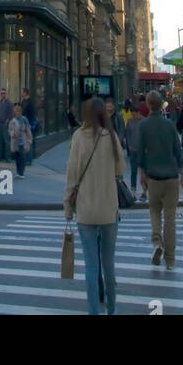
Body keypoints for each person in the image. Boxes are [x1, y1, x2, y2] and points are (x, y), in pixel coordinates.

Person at [64, 96, 124, 315]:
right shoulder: (111, 137)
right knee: (109, 264)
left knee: (91, 266)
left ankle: (93, 312)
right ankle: (112, 309)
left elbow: (71, 174)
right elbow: (120, 169)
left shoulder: (78, 137)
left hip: (86, 210)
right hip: (109, 209)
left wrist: (67, 207)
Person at [136, 91, 183, 269]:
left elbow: (140, 152)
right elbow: (177, 150)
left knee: (154, 212)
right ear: (162, 105)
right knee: (170, 218)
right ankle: (170, 259)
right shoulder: (169, 125)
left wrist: (141, 173)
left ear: (149, 105)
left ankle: (157, 242)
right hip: (172, 177)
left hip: (154, 177)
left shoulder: (143, 126)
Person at [9, 101, 32, 178]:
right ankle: (18, 172)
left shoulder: (24, 119)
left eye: (18, 111)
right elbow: (10, 130)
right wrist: (13, 133)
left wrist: (29, 140)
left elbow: (28, 130)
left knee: (22, 157)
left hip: (23, 142)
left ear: (21, 112)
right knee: (17, 158)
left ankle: (21, 172)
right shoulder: (13, 121)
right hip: (16, 143)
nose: (17, 113)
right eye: (16, 111)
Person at [125, 106, 142, 195]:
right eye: (132, 115)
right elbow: (127, 134)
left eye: (135, 115)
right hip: (133, 150)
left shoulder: (143, 121)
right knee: (133, 171)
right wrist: (129, 145)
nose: (133, 116)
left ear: (139, 113)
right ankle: (133, 190)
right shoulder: (129, 122)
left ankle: (145, 190)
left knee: (143, 171)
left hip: (142, 150)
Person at [0, 88, 13, 163]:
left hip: (5, 123)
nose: (3, 95)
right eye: (1, 93)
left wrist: (7, 120)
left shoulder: (9, 103)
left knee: (6, 141)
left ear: (6, 94)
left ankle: (8, 157)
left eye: (4, 93)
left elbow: (11, 113)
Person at [21, 87, 37, 164]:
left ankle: (29, 159)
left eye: (22, 92)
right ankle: (26, 158)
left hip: (28, 124)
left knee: (28, 141)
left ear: (25, 93)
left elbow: (32, 114)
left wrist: (29, 124)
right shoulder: (23, 101)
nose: (21, 93)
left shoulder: (30, 102)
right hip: (23, 123)